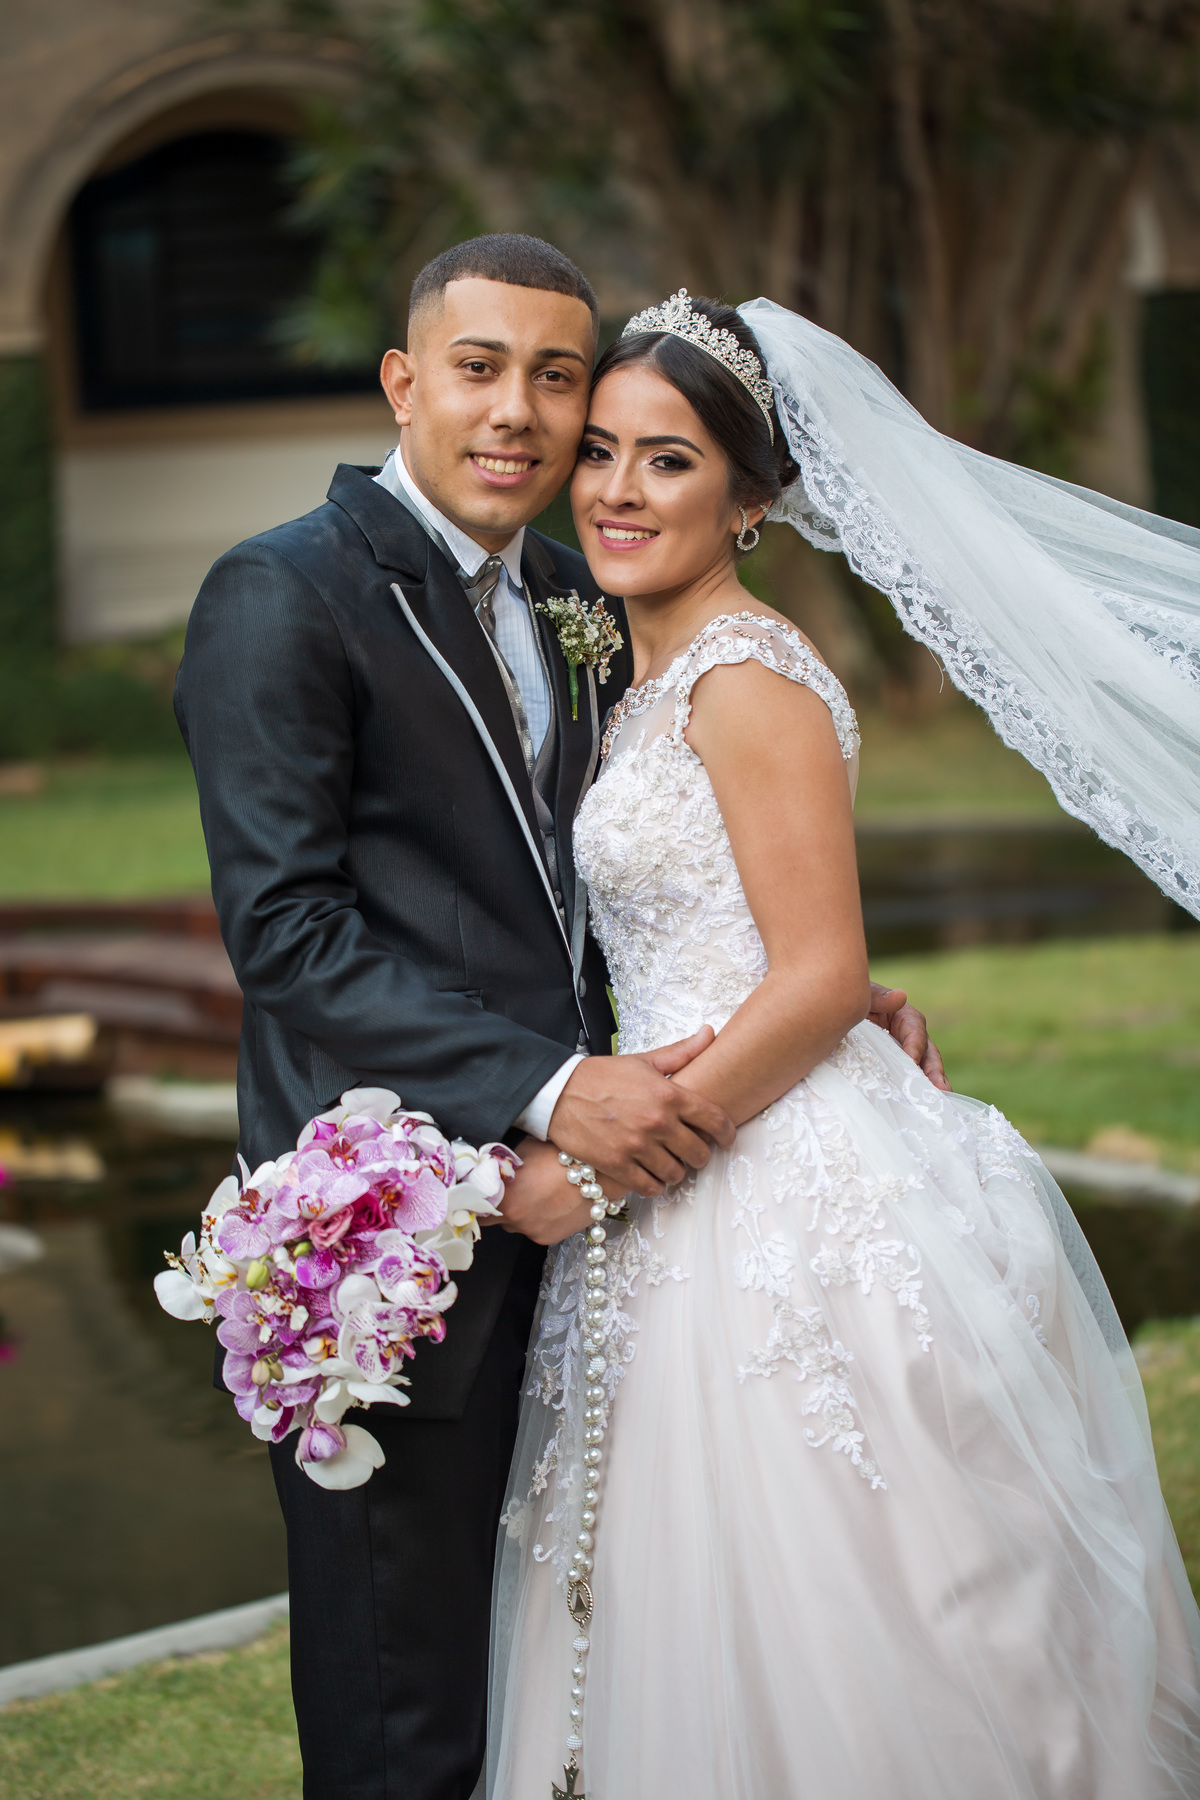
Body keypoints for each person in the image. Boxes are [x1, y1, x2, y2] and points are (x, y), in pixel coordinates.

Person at [173, 236, 940, 1800]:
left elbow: (609, 882)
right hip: (403, 1234)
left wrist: (820, 988)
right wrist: (545, 1085)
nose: (520, 412)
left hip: (596, 1244)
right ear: (404, 381)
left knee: (576, 1685)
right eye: (478, 367)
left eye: (556, 376)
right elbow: (290, 933)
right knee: (408, 1717)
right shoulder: (281, 593)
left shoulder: (577, 586)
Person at [485, 294, 1200, 1798]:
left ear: (750, 497)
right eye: (600, 452)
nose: (615, 491)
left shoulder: (750, 677)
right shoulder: (633, 665)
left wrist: (599, 1178)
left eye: (667, 462)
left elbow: (816, 979)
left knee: (862, 1583)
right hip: (705, 1130)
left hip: (772, 1173)